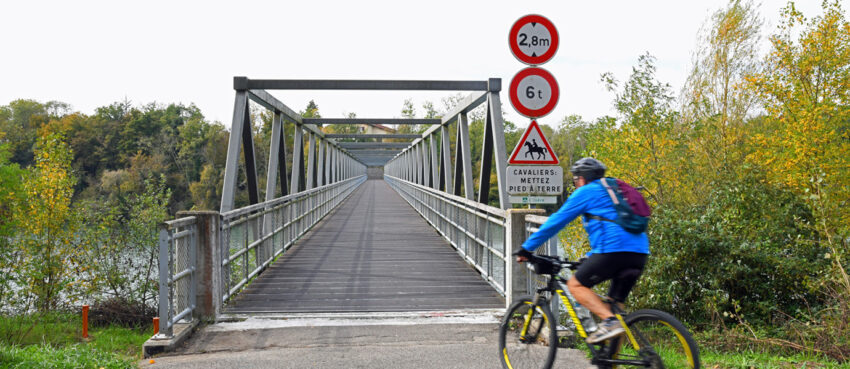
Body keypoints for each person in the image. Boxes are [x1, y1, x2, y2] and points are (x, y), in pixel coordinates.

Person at [514, 157, 649, 344]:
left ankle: (609, 322)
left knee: (575, 285)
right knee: (615, 310)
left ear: (583, 178)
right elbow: (613, 227)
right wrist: (590, 256)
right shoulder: (613, 189)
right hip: (640, 253)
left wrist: (526, 248)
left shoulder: (586, 192)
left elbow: (556, 221)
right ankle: (611, 361)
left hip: (613, 251)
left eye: (576, 179)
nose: (576, 183)